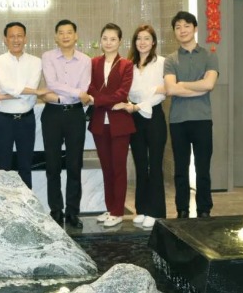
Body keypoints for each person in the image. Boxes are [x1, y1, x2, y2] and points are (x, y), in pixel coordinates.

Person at [164, 11, 219, 219]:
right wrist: (198, 87)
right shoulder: (170, 59)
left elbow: (209, 84)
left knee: (203, 167)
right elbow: (170, 89)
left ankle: (204, 209)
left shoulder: (209, 55)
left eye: (186, 26)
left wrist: (182, 84)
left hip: (202, 119)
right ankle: (182, 209)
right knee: (180, 168)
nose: (182, 30)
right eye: (178, 27)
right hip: (178, 120)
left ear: (195, 28)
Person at [40, 19, 91, 228]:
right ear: (56, 37)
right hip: (52, 114)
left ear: (75, 36)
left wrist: (70, 94)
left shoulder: (86, 60)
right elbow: (52, 84)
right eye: (61, 32)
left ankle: (72, 212)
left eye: (69, 32)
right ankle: (55, 210)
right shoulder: (48, 57)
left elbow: (85, 88)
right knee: (52, 165)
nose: (65, 36)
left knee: (74, 165)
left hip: (75, 115)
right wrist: (75, 93)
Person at [87, 23, 136, 228]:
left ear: (120, 42)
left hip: (120, 124)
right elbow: (89, 87)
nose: (108, 42)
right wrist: (105, 101)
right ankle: (110, 208)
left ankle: (118, 211)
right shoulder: (93, 63)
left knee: (118, 168)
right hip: (100, 123)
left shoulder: (126, 65)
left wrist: (98, 100)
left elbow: (122, 93)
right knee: (106, 168)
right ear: (100, 41)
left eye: (113, 39)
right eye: (105, 38)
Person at [120, 24, 167, 229]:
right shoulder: (129, 65)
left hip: (154, 116)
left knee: (154, 165)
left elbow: (164, 91)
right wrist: (148, 92)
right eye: (139, 38)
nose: (142, 42)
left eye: (147, 38)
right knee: (140, 164)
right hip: (134, 117)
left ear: (153, 42)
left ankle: (156, 212)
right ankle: (142, 209)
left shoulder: (162, 63)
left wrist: (141, 102)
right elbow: (129, 91)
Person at [0, 22, 46, 189]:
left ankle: (26, 204)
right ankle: (4, 204)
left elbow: (31, 85)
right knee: (3, 169)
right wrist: (33, 92)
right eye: (12, 36)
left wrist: (7, 95)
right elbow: (6, 85)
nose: (16, 40)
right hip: (4, 121)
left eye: (19, 36)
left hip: (26, 120)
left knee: (25, 167)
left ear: (25, 38)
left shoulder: (36, 62)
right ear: (5, 39)